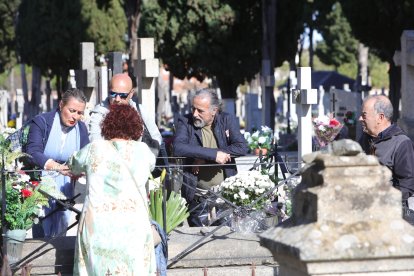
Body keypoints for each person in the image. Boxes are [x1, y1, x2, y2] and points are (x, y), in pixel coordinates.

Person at [68, 104, 156, 275]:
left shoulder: (94, 149)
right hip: (133, 225)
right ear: (135, 126)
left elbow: (73, 164)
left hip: (98, 225)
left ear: (107, 125)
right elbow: (150, 166)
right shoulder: (143, 151)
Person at [173, 88, 248, 226]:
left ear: (214, 111)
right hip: (197, 195)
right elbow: (178, 148)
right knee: (198, 240)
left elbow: (241, 147)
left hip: (225, 195)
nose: (195, 114)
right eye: (193, 109)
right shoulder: (185, 122)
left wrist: (205, 158)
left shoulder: (226, 120)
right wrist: (213, 155)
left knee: (225, 239)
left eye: (200, 111)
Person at [26, 88, 89, 237]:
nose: (75, 117)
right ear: (61, 105)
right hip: (40, 184)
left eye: (79, 113)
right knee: (41, 228)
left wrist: (79, 170)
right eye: (72, 110)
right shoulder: (42, 122)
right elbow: (32, 152)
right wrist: (58, 167)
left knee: (61, 229)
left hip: (65, 187)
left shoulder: (81, 129)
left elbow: (86, 156)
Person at [358, 95, 414, 224]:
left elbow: (407, 184)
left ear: (380, 117)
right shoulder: (365, 139)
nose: (360, 118)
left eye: (364, 115)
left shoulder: (401, 143)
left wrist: (382, 199)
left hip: (390, 214)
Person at [89, 73, 162, 157]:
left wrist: (144, 157)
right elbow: (95, 143)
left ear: (131, 94)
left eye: (123, 95)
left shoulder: (140, 111)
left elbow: (156, 137)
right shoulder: (99, 113)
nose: (117, 99)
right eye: (113, 94)